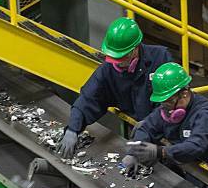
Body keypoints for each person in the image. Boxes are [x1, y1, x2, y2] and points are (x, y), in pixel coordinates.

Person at [57, 17, 173, 158]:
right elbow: (89, 98)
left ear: (135, 49)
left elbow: (172, 100)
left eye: (121, 57)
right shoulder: (108, 69)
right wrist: (72, 129)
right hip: (137, 127)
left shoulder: (160, 59)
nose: (116, 63)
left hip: (165, 128)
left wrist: (152, 122)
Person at [122, 62, 208, 177]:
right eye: (163, 101)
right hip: (186, 166)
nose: (165, 106)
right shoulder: (168, 107)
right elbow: (146, 127)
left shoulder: (206, 114)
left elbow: (194, 146)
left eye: (169, 101)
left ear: (184, 94)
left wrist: (160, 151)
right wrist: (135, 152)